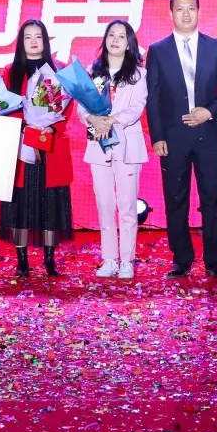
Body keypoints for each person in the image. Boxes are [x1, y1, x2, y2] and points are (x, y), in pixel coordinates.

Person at [146, 0, 217, 278]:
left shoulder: (215, 46)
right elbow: (153, 97)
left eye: (191, 8)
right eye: (180, 9)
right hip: (173, 138)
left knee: (213, 200)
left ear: (199, 12)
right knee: (175, 200)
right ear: (170, 13)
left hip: (210, 135)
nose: (186, 14)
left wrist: (209, 111)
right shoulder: (157, 50)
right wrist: (157, 136)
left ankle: (214, 260)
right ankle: (182, 259)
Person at [0, 19, 75, 278]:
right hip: (21, 147)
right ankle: (22, 261)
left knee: (50, 204)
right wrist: (24, 125)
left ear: (45, 41)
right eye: (28, 37)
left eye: (38, 36)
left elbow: (67, 110)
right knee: (21, 203)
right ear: (21, 42)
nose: (33, 41)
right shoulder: (10, 71)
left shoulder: (59, 71)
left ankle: (49, 260)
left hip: (50, 147)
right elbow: (5, 106)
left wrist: (51, 127)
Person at [78, 20, 149, 280]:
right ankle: (109, 259)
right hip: (99, 144)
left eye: (121, 36)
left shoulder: (139, 74)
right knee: (104, 204)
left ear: (129, 43)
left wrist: (111, 120)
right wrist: (92, 118)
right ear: (105, 39)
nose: (116, 40)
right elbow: (81, 106)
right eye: (111, 35)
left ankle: (127, 260)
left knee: (127, 205)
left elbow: (137, 106)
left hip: (127, 144)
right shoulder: (92, 71)